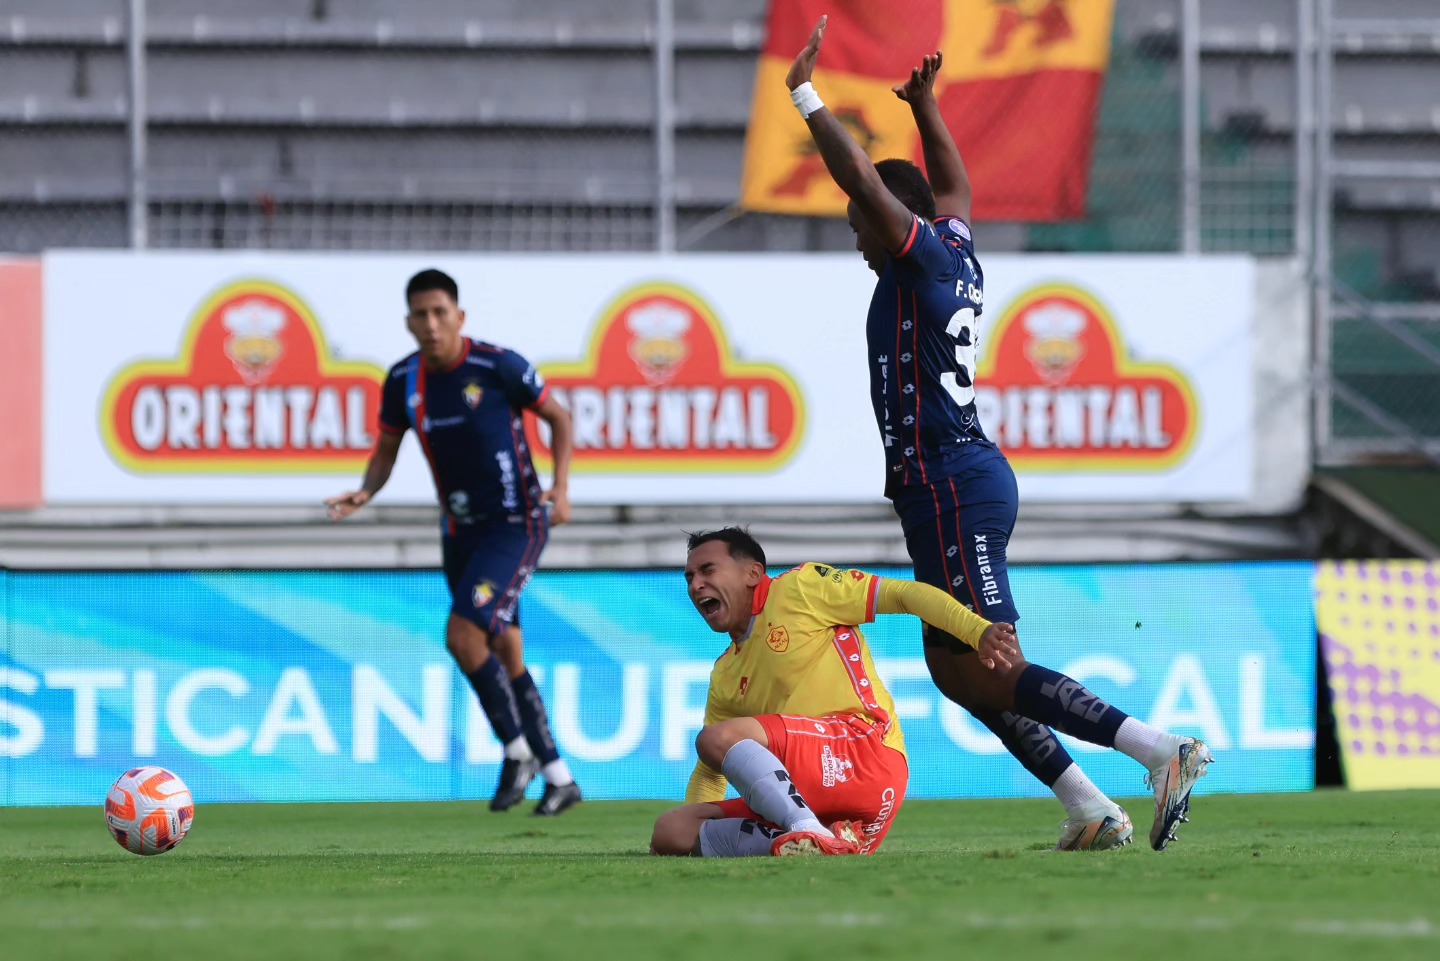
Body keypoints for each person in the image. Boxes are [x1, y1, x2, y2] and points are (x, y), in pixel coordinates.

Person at [784, 18, 1212, 850]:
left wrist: (807, 97)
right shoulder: (954, 244)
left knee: (993, 664)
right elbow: (956, 188)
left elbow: (872, 182)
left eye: (859, 226)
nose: (856, 241)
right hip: (950, 483)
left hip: (950, 484)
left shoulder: (919, 259)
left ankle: (1159, 751)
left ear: (890, 221)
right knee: (959, 673)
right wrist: (926, 108)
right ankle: (1090, 808)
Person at [326, 268, 582, 817]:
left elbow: (558, 418)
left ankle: (518, 751)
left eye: (441, 312)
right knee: (505, 649)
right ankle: (559, 777)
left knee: (464, 636)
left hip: (515, 524)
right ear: (408, 321)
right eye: (421, 314)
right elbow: (387, 448)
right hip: (459, 531)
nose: (431, 323)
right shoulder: (404, 381)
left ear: (459, 317)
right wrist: (366, 492)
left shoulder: (497, 365)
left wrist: (560, 489)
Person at [650, 527, 1022, 859]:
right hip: (825, 806)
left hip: (866, 754)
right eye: (689, 577)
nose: (695, 584)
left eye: (707, 570)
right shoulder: (725, 672)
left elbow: (906, 594)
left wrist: (977, 631)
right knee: (672, 831)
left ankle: (805, 829)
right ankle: (821, 843)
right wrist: (695, 832)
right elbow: (711, 770)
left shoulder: (801, 588)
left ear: (752, 573)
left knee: (719, 737)